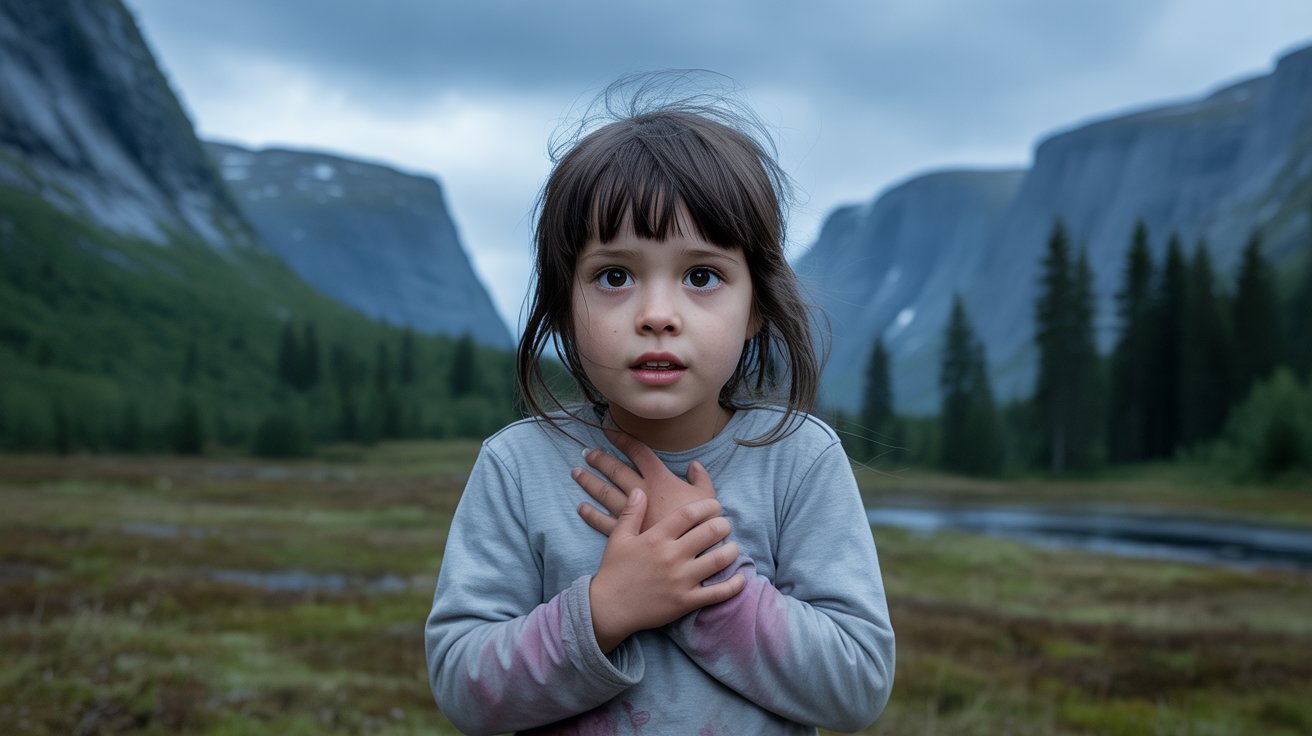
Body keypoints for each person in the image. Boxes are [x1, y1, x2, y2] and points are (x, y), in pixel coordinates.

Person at [425, 72, 895, 735]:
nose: (657, 314)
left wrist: (704, 581)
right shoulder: (518, 466)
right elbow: (463, 686)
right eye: (614, 275)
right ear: (562, 308)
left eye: (701, 275)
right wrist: (604, 611)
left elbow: (858, 684)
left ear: (756, 306)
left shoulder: (799, 459)